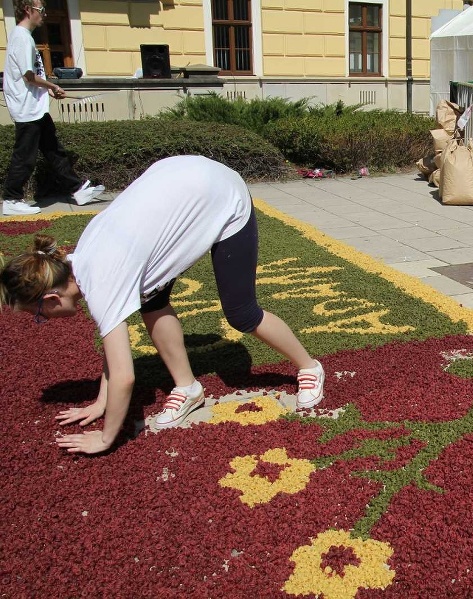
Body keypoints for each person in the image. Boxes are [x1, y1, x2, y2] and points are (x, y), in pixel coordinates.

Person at [0, 156, 325, 454]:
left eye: (39, 315)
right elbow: (114, 350)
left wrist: (104, 438)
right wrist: (102, 401)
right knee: (152, 299)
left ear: (51, 298)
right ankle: (188, 387)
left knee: (242, 313)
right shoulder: (81, 259)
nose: (44, 319)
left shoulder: (101, 280)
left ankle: (309, 367)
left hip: (221, 194)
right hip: (183, 184)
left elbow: (125, 375)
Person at [2, 0, 104, 216]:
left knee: (54, 151)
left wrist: (47, 90)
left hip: (35, 106)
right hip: (27, 109)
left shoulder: (25, 37)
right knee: (25, 156)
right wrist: (52, 85)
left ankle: (78, 190)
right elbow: (28, 76)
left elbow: (31, 74)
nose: (44, 15)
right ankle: (11, 199)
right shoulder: (21, 37)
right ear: (28, 10)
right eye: (41, 10)